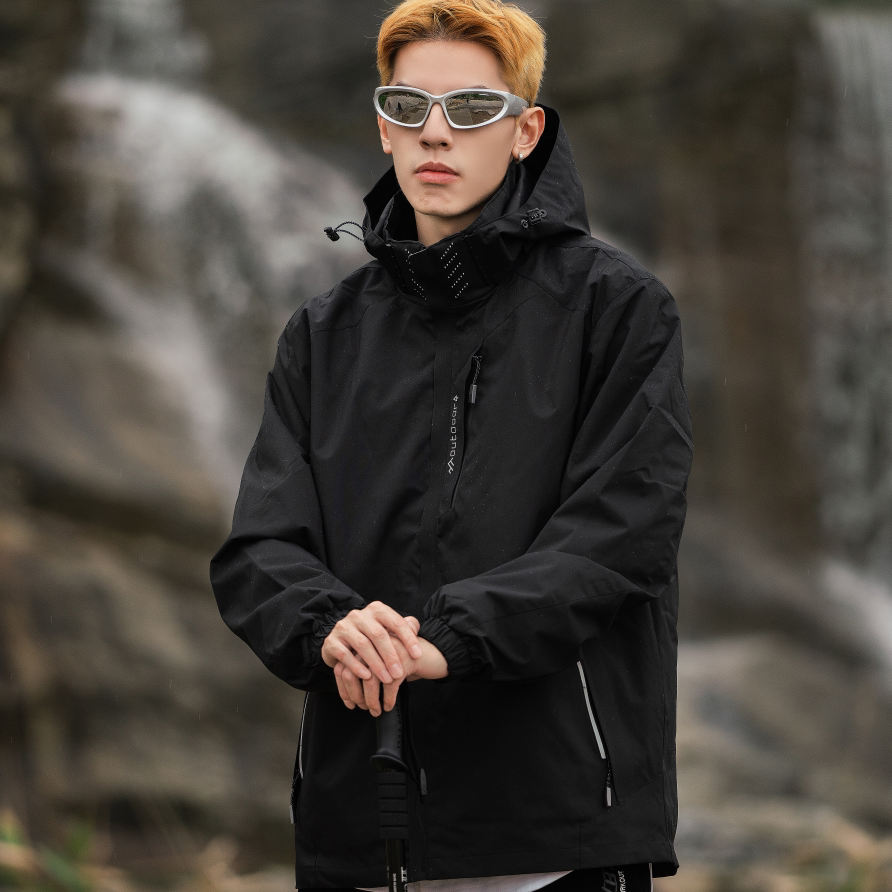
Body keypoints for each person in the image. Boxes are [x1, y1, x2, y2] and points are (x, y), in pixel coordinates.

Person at [210, 1, 693, 891]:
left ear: (525, 132)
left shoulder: (619, 308)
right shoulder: (322, 333)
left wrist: (447, 640)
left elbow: (623, 533)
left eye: (471, 108)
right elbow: (259, 551)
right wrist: (331, 626)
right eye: (407, 107)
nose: (435, 133)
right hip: (363, 825)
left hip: (554, 835)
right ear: (383, 128)